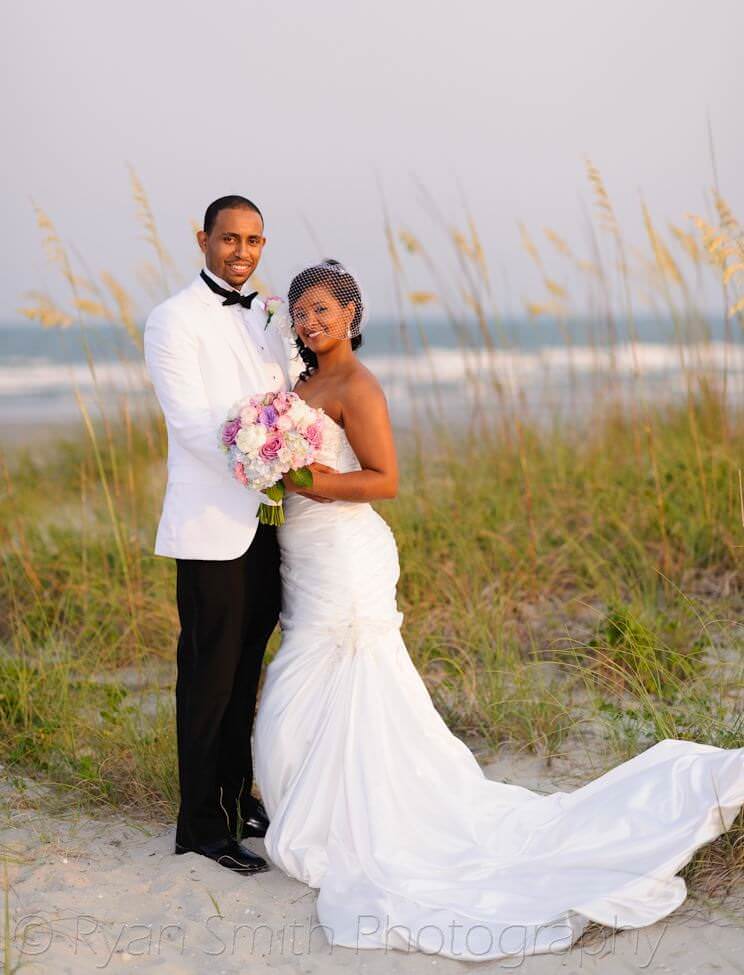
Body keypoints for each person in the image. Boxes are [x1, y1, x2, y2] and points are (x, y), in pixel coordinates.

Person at [252, 259, 744, 962]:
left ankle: (355, 818)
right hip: (303, 554)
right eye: (300, 312)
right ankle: (317, 806)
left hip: (345, 555)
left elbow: (385, 478)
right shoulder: (300, 383)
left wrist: (307, 478)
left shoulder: (358, 385)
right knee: (307, 686)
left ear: (352, 316)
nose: (310, 322)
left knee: (346, 674)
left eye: (323, 310)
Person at [144, 195, 309, 875]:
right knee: (207, 676)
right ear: (203, 238)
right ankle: (201, 825)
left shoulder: (268, 315)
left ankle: (238, 798)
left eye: (253, 241)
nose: (241, 252)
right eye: (229, 239)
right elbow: (189, 422)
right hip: (212, 526)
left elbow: (287, 391)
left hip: (269, 525)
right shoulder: (172, 320)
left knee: (246, 672)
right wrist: (267, 459)